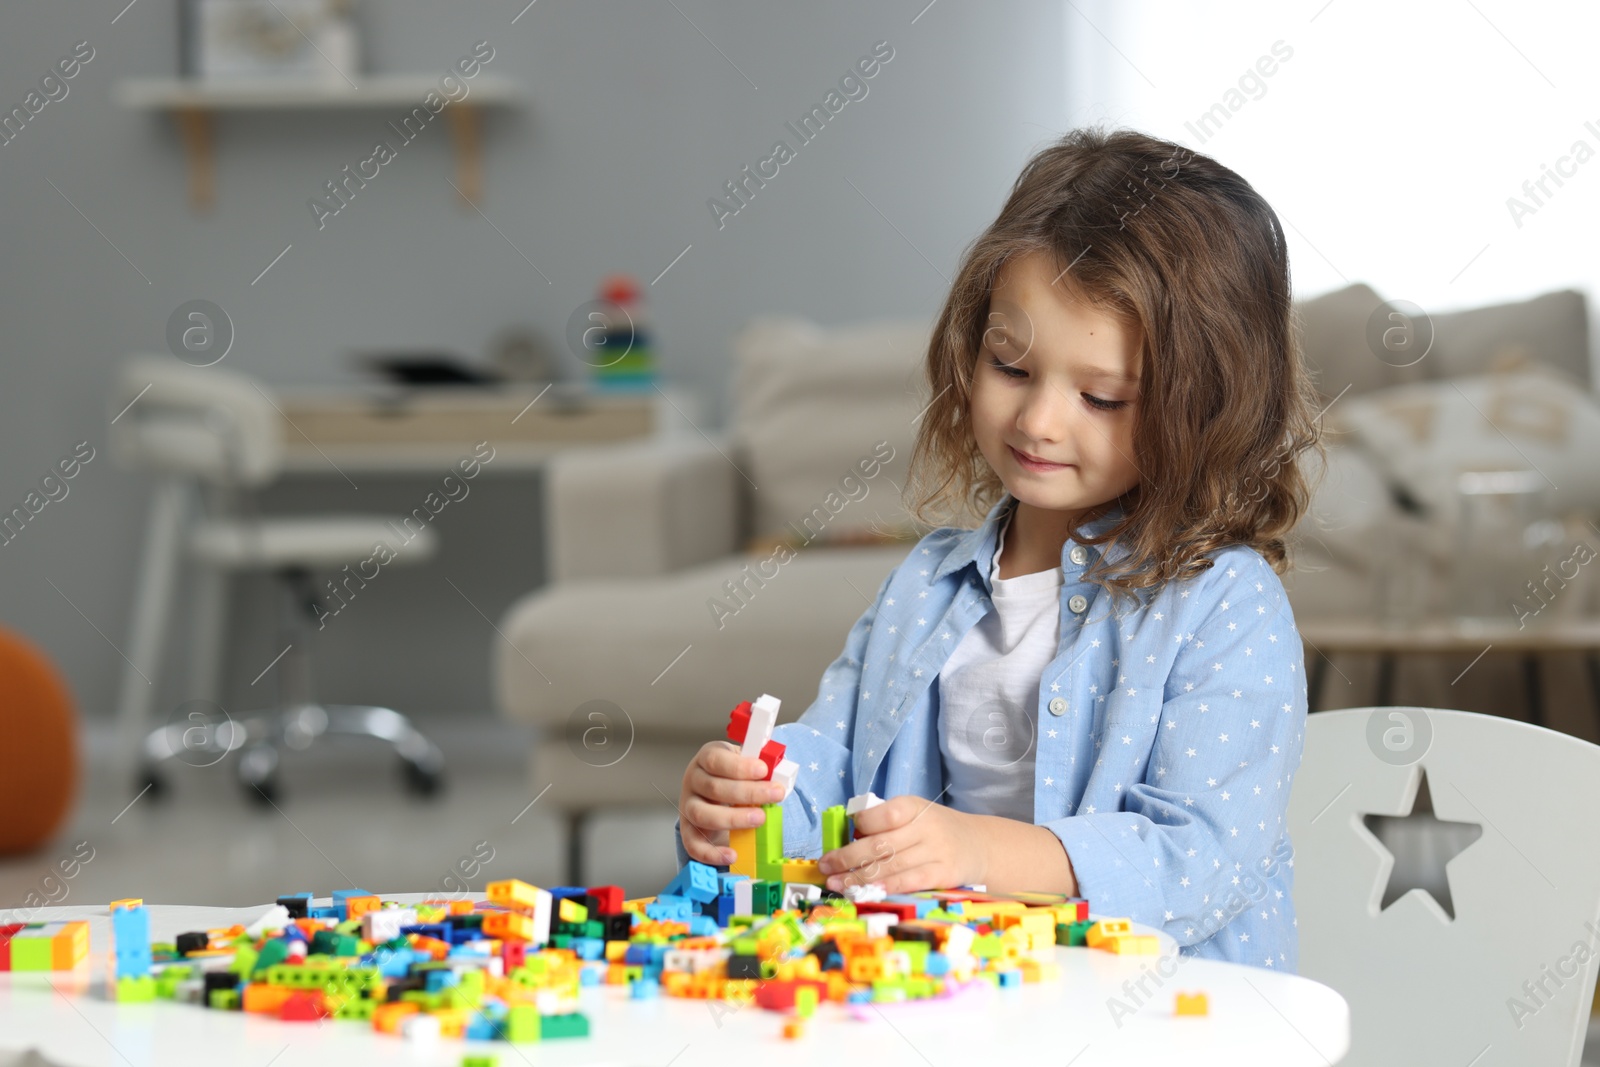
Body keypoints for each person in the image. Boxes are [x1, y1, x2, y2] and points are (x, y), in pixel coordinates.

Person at [675, 125, 1324, 971]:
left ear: (1203, 409)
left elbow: (1202, 854)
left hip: (1159, 1016)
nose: (1038, 421)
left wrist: (977, 853)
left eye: (1102, 396)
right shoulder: (929, 581)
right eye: (1011, 368)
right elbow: (833, 764)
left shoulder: (1225, 605)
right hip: (962, 999)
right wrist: (748, 806)